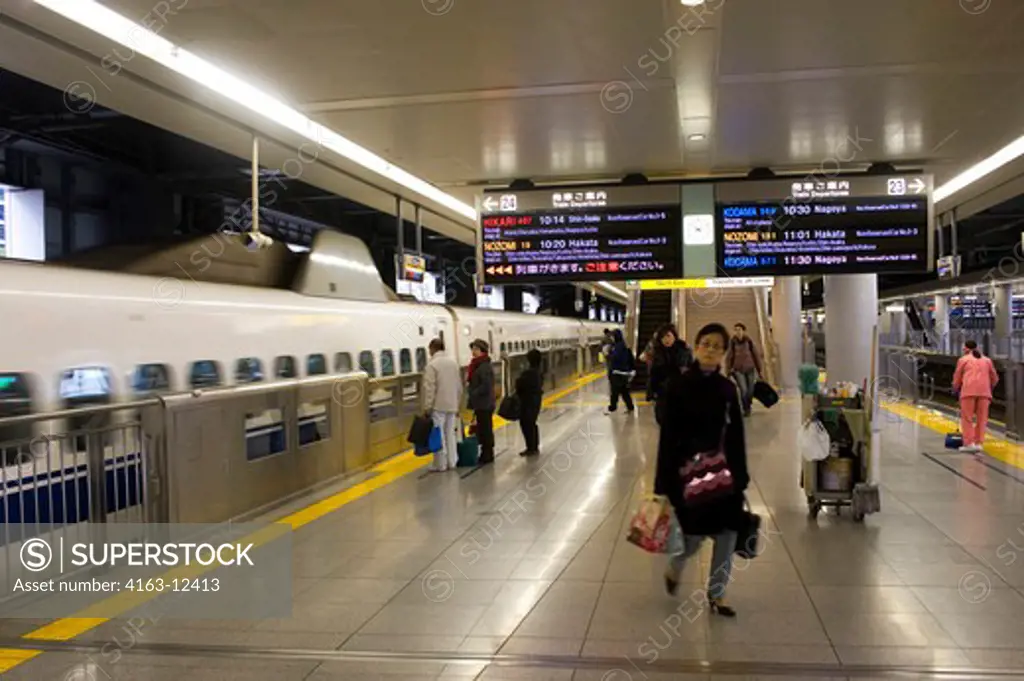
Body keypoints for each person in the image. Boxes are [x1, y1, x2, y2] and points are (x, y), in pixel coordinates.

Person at [655, 322, 749, 618]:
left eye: (717, 346)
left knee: (728, 535)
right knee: (693, 538)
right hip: (688, 475)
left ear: (724, 353)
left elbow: (736, 435)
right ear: (696, 347)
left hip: (724, 474)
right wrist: (665, 482)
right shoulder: (678, 387)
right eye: (705, 344)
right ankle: (676, 565)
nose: (711, 350)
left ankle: (717, 594)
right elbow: (667, 436)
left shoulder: (727, 388)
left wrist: (741, 475)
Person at [422, 338, 462, 472]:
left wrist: (427, 407)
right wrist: (458, 403)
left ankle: (440, 464)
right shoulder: (453, 363)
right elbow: (459, 386)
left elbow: (430, 388)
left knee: (438, 434)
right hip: (452, 404)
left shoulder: (432, 365)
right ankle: (452, 461)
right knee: (450, 433)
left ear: (433, 349)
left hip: (438, 405)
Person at [953, 340, 999, 453]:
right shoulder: (987, 360)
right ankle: (979, 443)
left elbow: (957, 376)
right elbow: (995, 378)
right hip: (984, 393)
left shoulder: (963, 360)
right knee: (982, 419)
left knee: (967, 418)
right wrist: (989, 386)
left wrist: (955, 388)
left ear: (967, 349)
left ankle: (969, 443)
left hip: (968, 392)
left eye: (964, 348)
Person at [649, 323, 693, 424]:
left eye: (668, 336)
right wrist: (653, 391)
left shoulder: (684, 351)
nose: (666, 339)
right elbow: (653, 374)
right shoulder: (657, 352)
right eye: (663, 337)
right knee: (662, 419)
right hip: (663, 393)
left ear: (674, 336)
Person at [467, 339, 496, 464]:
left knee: (486, 429)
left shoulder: (483, 366)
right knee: (484, 428)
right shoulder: (479, 364)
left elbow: (486, 385)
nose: (473, 351)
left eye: (475, 349)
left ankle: (487, 454)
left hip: (484, 403)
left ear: (481, 350)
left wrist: (474, 392)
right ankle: (486, 452)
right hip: (482, 403)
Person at [725, 323, 763, 417]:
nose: (737, 331)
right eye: (736, 329)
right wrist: (728, 371)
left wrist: (759, 370)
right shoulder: (732, 342)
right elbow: (729, 356)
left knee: (750, 390)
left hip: (750, 368)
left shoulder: (749, 341)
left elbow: (756, 355)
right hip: (738, 370)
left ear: (743, 331)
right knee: (744, 390)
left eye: (739, 329)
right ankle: (746, 409)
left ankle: (748, 404)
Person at [515, 349, 544, 456]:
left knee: (526, 424)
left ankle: (531, 447)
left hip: (527, 402)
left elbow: (519, 385)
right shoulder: (539, 371)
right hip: (536, 401)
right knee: (532, 423)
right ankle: (534, 446)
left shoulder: (528, 373)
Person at [607, 329, 636, 413]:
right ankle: (630, 406)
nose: (612, 338)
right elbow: (630, 358)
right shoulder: (625, 346)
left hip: (617, 373)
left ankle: (613, 407)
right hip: (625, 373)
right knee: (625, 391)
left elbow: (614, 359)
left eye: (612, 336)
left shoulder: (616, 347)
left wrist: (608, 355)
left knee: (615, 392)